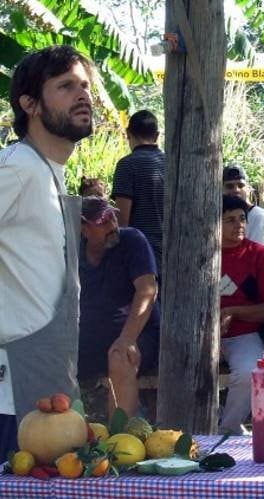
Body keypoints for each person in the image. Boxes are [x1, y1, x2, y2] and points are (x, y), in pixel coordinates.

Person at [0, 45, 94, 459]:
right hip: (10, 396)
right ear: (30, 104)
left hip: (48, 386)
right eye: (66, 86)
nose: (83, 94)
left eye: (85, 86)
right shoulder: (19, 166)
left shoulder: (49, 172)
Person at [78, 196, 160, 418]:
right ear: (83, 228)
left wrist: (127, 338)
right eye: (103, 222)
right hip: (90, 339)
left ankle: (121, 442)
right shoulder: (71, 250)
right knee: (54, 355)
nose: (113, 225)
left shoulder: (132, 240)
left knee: (120, 356)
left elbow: (147, 289)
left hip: (138, 333)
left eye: (113, 217)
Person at [219, 195, 264, 435]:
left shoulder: (259, 255)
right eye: (229, 220)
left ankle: (226, 431)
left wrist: (232, 312)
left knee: (250, 371)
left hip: (243, 334)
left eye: (242, 219)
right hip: (201, 335)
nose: (239, 225)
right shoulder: (199, 253)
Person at [111, 110, 164, 274]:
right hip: (175, 251)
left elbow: (122, 220)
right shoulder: (171, 164)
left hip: (142, 254)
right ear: (157, 135)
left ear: (128, 134)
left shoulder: (127, 165)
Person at [223, 164, 264, 258]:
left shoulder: (259, 217)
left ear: (248, 189)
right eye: (230, 186)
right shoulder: (218, 216)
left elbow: (261, 258)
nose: (236, 190)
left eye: (241, 185)